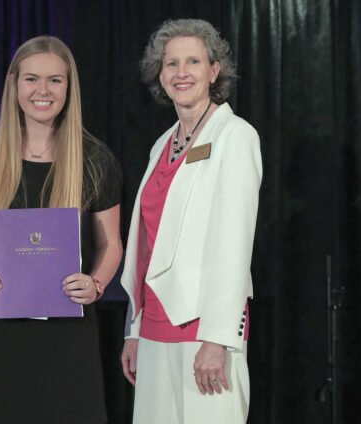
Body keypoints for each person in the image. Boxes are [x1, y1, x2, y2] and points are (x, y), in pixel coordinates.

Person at [0, 35, 123, 423]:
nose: (42, 90)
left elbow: (111, 243)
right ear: (14, 84)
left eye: (55, 80)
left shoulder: (95, 159)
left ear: (69, 88)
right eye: (31, 79)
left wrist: (95, 284)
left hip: (66, 341)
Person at [119, 19, 262, 424]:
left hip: (203, 330)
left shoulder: (235, 135)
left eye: (193, 61)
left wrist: (217, 338)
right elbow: (146, 245)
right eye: (171, 64)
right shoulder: (161, 145)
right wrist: (134, 329)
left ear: (214, 71)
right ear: (159, 74)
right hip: (153, 327)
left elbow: (234, 243)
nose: (181, 73)